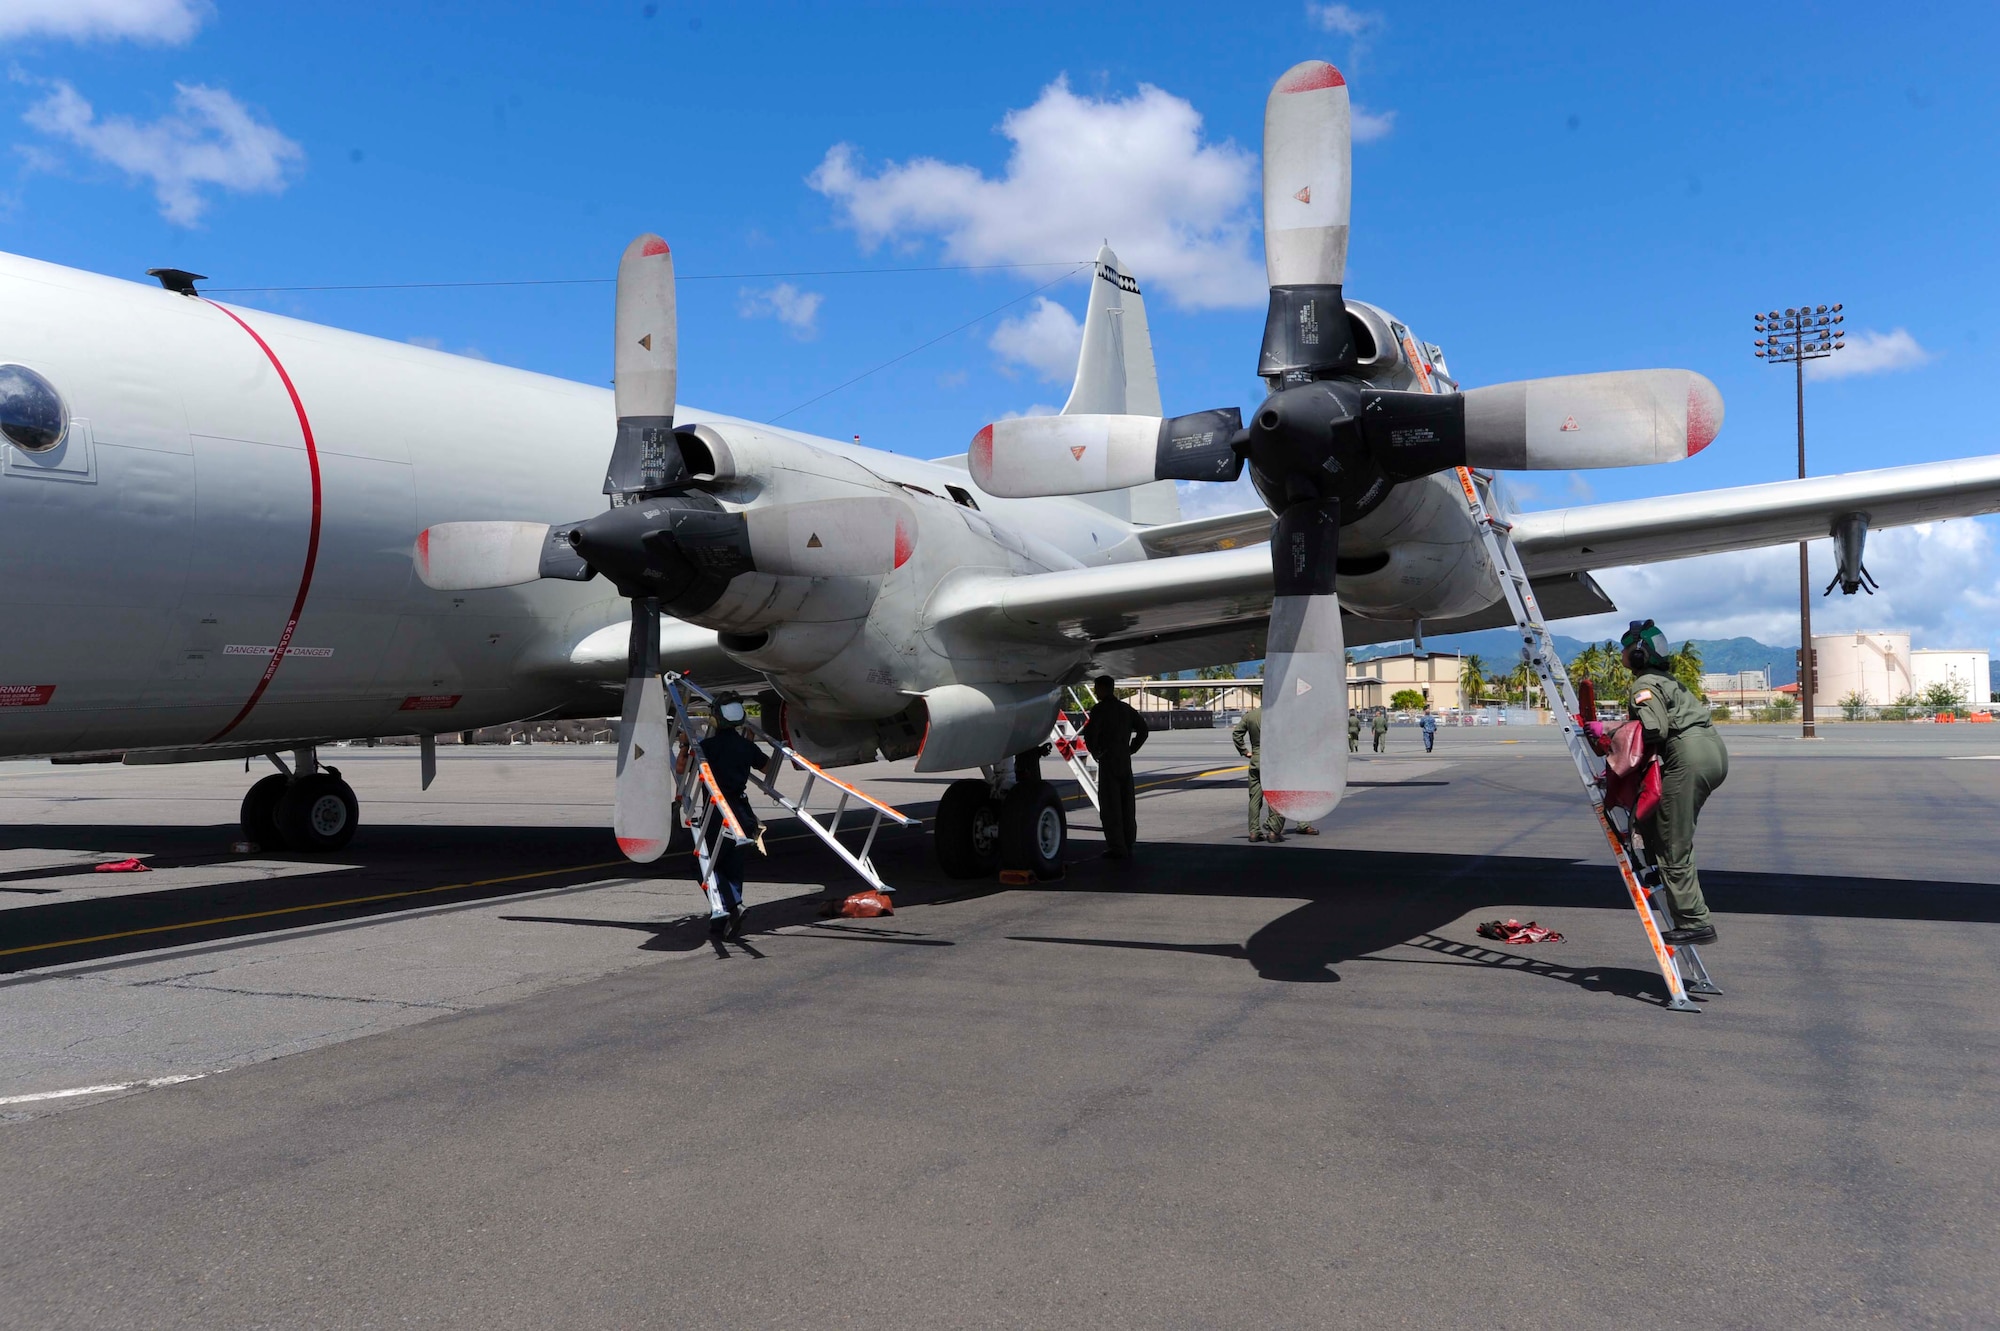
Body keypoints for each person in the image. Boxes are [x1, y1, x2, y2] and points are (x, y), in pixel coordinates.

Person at [1622, 620, 1728, 945]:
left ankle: (1695, 921)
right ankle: (1660, 871)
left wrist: (1612, 733)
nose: (1623, 654)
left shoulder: (1644, 685)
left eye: (1626, 648)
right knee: (1656, 814)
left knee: (1674, 841)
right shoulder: (1666, 680)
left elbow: (1655, 730)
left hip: (1689, 757)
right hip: (1710, 752)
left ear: (1639, 654)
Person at [697, 695, 768, 939]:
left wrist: (685, 746)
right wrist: (748, 747)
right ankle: (724, 919)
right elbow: (767, 767)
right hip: (742, 811)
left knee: (708, 864)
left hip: (717, 812)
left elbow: (682, 769)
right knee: (734, 866)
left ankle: (731, 906)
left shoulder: (708, 747)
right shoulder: (746, 747)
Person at [1231, 704, 1321, 843]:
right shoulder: (1281, 715)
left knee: (1255, 798)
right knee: (1277, 795)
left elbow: (1237, 733)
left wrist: (1244, 751)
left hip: (1256, 759)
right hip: (1275, 759)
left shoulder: (1251, 715)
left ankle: (1254, 832)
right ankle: (1273, 830)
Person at [1081, 674, 1148, 858]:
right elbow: (1143, 729)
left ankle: (1117, 848)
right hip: (1124, 760)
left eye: (1097, 688)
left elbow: (1091, 734)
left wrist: (1096, 753)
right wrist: (1131, 749)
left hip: (1109, 760)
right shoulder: (1125, 709)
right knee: (1127, 803)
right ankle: (1129, 841)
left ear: (1102, 689)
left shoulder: (1099, 710)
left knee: (1111, 806)